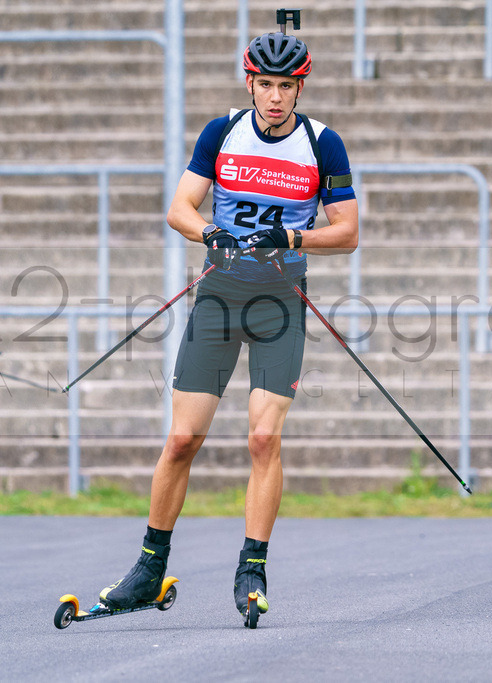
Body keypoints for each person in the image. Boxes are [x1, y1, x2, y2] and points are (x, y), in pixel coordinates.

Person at [98, 30, 359, 623]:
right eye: (264, 84)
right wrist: (208, 232)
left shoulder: (323, 145)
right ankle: (147, 568)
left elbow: (347, 232)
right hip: (217, 295)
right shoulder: (222, 132)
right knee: (182, 440)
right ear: (250, 83)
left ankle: (252, 569)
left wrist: (292, 236)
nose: (274, 96)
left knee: (263, 439)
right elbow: (180, 208)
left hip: (280, 300)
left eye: (285, 86)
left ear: (300, 87)